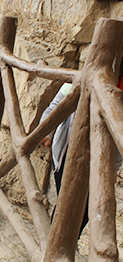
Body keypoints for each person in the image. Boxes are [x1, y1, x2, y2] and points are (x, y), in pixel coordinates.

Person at [40, 83, 123, 237]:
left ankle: (62, 244)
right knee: (65, 208)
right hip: (68, 156)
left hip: (98, 166)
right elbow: (53, 109)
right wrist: (47, 131)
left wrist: (112, 172)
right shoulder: (74, 83)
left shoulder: (119, 96)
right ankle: (55, 245)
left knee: (81, 214)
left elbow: (118, 144)